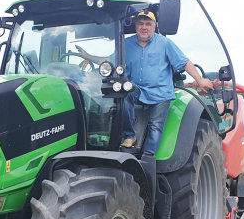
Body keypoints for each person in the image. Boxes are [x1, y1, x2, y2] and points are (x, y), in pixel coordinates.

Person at [76, 10, 213, 155]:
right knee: (121, 93)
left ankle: (148, 158)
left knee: (155, 126)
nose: (144, 27)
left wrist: (199, 80)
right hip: (137, 90)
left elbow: (184, 63)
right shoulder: (126, 44)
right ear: (136, 26)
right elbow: (110, 61)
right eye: (141, 23)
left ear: (154, 27)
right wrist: (88, 56)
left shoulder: (165, 43)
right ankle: (130, 135)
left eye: (148, 24)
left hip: (160, 92)